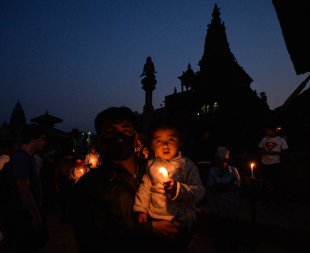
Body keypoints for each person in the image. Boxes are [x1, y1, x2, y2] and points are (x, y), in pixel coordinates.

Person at [70, 106, 181, 253]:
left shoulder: (156, 171)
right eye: (111, 131)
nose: (120, 137)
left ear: (135, 138)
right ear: (100, 141)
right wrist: (148, 229)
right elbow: (91, 242)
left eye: (126, 130)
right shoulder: (88, 186)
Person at [133, 120, 205, 252]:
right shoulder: (151, 165)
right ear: (152, 145)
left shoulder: (187, 166)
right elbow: (145, 188)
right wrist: (141, 209)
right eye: (158, 140)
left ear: (180, 142)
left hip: (179, 219)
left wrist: (178, 189)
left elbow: (199, 191)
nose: (165, 145)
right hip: (155, 215)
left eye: (171, 139)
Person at [1, 124, 49, 252]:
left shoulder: (30, 157)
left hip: (25, 212)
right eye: (43, 138)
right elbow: (24, 190)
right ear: (32, 138)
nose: (44, 141)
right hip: (22, 214)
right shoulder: (21, 158)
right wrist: (35, 216)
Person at [207, 146, 241, 253]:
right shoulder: (212, 171)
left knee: (232, 234)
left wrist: (221, 186)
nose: (219, 162)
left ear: (226, 160)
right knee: (220, 235)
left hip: (232, 208)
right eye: (217, 159)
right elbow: (212, 188)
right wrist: (227, 186)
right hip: (218, 208)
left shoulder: (233, 171)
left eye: (222, 160)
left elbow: (237, 186)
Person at [258, 126, 288, 208]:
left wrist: (276, 153)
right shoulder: (264, 139)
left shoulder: (281, 140)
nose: (267, 132)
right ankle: (264, 202)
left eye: (268, 131)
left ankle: (277, 202)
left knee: (277, 183)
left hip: (275, 164)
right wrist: (264, 152)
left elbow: (285, 152)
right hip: (264, 163)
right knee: (264, 184)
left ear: (273, 131)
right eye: (266, 131)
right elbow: (260, 149)